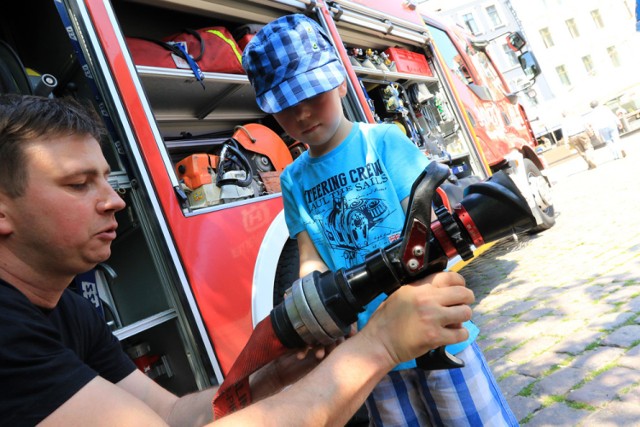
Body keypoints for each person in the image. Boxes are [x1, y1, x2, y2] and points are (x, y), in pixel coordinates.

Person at [0, 93, 475, 426]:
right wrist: (378, 346)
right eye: (79, 184)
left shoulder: (66, 310)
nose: (115, 201)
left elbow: (169, 417)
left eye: (106, 180)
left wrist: (268, 379)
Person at [242, 14, 517, 427]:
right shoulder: (293, 179)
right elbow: (310, 256)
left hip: (429, 320)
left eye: (312, 94)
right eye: (285, 107)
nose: (302, 113)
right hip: (366, 348)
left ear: (336, 80)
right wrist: (310, 307)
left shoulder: (384, 141)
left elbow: (425, 226)